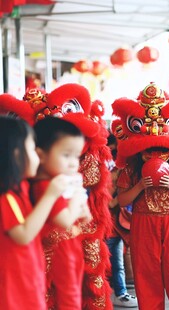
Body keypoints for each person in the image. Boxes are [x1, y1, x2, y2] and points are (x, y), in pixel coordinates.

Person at [111, 82, 169, 310]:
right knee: (147, 277)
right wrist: (141, 186)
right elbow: (122, 200)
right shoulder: (131, 168)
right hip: (144, 222)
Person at [0, 116, 72, 309]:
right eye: (32, 149)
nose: (38, 156)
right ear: (16, 154)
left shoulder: (21, 187)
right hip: (14, 286)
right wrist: (50, 195)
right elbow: (23, 234)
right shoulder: (6, 195)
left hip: (27, 276)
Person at [31, 117, 91, 309]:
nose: (74, 163)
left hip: (67, 246)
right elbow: (64, 219)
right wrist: (78, 200)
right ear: (41, 155)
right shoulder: (46, 186)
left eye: (76, 156)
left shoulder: (59, 183)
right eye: (66, 155)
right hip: (58, 250)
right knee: (68, 296)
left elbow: (83, 215)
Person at [106, 133, 138, 308]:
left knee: (119, 262)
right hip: (111, 226)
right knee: (116, 263)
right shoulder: (111, 175)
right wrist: (122, 193)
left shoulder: (125, 173)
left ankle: (121, 292)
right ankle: (120, 293)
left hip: (121, 224)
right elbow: (109, 203)